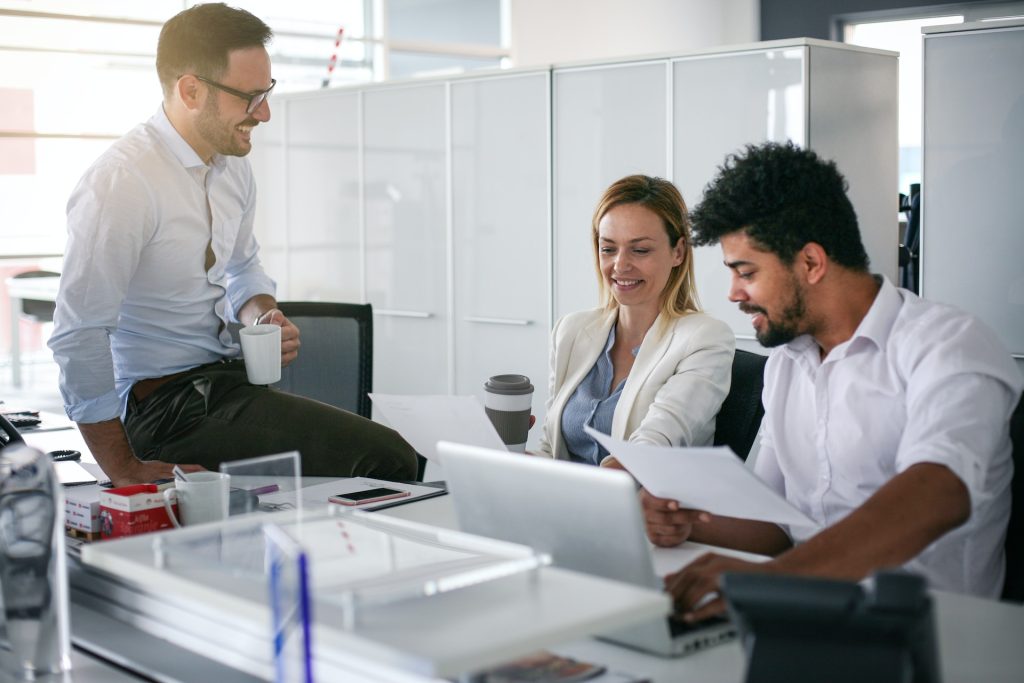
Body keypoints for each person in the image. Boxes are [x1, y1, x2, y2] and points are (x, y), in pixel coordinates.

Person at [649, 141, 1023, 622]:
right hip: (805, 620)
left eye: (746, 272)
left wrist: (773, 583)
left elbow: (936, 494)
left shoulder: (949, 345)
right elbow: (775, 525)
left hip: (931, 638)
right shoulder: (788, 364)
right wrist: (685, 521)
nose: (734, 293)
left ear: (810, 263)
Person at [48, 3, 417, 487]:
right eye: (249, 97)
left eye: (266, 93)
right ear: (191, 90)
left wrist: (259, 313)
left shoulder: (231, 167)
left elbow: (244, 267)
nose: (263, 113)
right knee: (388, 460)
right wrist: (122, 467)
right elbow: (78, 334)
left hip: (223, 383)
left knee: (383, 460)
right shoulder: (121, 183)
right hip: (160, 410)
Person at [536, 175, 734, 472]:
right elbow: (551, 451)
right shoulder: (572, 330)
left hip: (641, 512)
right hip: (563, 508)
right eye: (608, 248)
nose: (620, 265)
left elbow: (653, 447)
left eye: (640, 250)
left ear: (678, 252)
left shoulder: (705, 338)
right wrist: (501, 454)